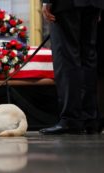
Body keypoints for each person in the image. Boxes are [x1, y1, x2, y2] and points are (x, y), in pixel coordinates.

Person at [39, 0, 104, 135]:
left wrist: (48, 1)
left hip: (66, 3)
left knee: (66, 58)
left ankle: (71, 119)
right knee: (88, 57)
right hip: (93, 3)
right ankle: (89, 119)